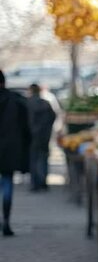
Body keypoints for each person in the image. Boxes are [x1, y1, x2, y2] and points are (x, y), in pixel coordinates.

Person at [0, 70, 31, 236]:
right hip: (9, 150)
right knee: (7, 183)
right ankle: (6, 220)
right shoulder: (16, 101)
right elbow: (26, 129)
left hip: (9, 148)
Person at [27, 83, 56, 192]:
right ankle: (43, 181)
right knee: (43, 158)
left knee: (34, 159)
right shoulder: (46, 104)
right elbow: (53, 117)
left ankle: (35, 183)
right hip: (44, 136)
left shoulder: (28, 104)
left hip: (33, 136)